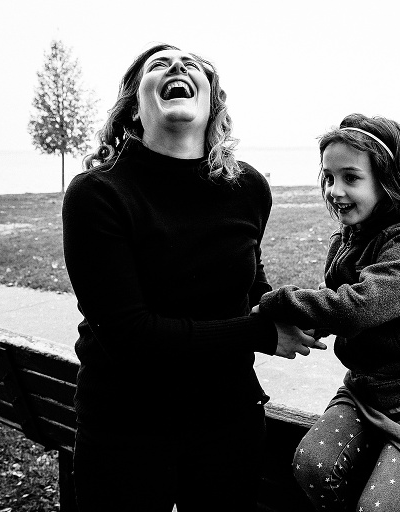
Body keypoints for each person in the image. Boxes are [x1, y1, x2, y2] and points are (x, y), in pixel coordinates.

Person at [62, 43, 323, 512]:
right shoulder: (98, 193)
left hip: (228, 419)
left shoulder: (247, 187)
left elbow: (246, 287)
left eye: (194, 65)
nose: (179, 66)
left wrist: (299, 309)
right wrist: (262, 332)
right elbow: (131, 336)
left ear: (212, 102)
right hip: (126, 425)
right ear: (133, 107)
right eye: (158, 64)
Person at [254, 114, 400, 512]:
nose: (335, 190)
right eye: (329, 177)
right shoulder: (349, 240)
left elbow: (357, 308)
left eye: (351, 177)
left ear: (389, 181)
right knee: (313, 465)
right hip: (366, 390)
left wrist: (278, 301)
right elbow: (338, 306)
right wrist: (306, 325)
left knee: (380, 506)